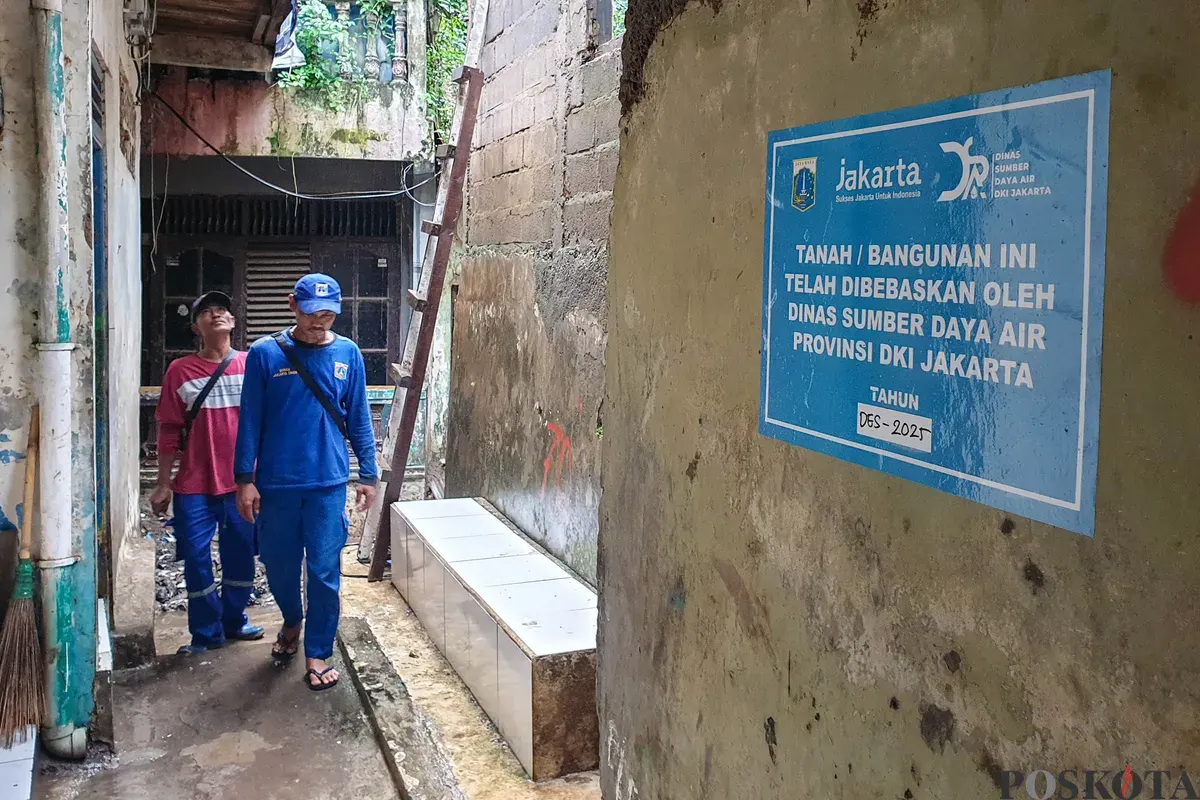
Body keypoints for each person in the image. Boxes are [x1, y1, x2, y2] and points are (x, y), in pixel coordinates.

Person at [234, 273, 378, 691]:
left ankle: (318, 652)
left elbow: (359, 420)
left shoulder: (348, 354)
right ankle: (292, 620)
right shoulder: (264, 354)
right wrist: (245, 479)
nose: (320, 323)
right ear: (292, 305)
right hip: (276, 485)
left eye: (329, 315)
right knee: (278, 567)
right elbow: (250, 422)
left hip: (328, 484)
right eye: (314, 314)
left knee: (324, 571)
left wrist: (367, 474)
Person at [152, 291, 264, 655]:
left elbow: (270, 424)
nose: (217, 314)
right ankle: (205, 633)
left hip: (241, 484)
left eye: (223, 310)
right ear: (195, 326)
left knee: (241, 555)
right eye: (207, 312)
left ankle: (233, 621)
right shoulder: (179, 371)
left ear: (233, 321)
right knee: (197, 560)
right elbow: (168, 429)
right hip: (194, 486)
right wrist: (162, 484)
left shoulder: (252, 365)